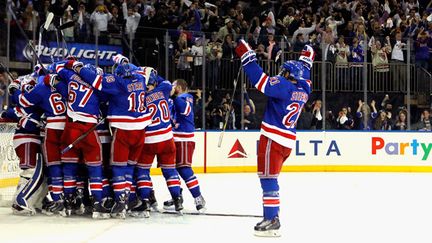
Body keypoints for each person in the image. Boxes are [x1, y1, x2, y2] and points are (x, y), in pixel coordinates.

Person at [235, 39, 312, 237]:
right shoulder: (304, 89)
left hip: (273, 138)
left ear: (288, 75)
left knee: (268, 178)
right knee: (271, 177)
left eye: (283, 72)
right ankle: (272, 215)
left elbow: (261, 82)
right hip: (287, 140)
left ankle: (271, 219)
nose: (280, 74)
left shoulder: (284, 86)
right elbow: (305, 74)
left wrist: (247, 58)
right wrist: (307, 59)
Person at [72, 59, 152, 219]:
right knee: (130, 167)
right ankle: (128, 198)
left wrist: (78, 68)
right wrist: (123, 61)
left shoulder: (118, 82)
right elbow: (143, 69)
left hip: (124, 131)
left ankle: (120, 201)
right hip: (141, 131)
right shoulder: (141, 79)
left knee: (117, 167)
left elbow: (96, 81)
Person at [53, 60, 109, 219]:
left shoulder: (70, 76)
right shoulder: (98, 87)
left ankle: (69, 202)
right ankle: (98, 202)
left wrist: (70, 62)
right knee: (95, 168)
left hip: (70, 129)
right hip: (89, 130)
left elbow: (57, 69)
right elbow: (106, 100)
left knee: (69, 168)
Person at [13, 67, 67, 216]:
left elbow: (19, 101)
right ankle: (20, 201)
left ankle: (38, 200)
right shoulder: (66, 86)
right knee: (32, 171)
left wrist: (14, 89)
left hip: (39, 134)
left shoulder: (38, 92)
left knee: (44, 171)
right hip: (30, 137)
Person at [136, 68, 183, 216]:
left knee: (142, 171)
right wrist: (152, 73)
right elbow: (166, 82)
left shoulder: (139, 96)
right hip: (167, 138)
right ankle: (178, 199)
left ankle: (146, 200)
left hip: (149, 140)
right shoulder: (163, 88)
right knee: (170, 171)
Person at [163, 79, 206, 212]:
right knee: (170, 169)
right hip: (173, 137)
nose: (172, 87)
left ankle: (198, 197)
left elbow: (182, 109)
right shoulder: (174, 99)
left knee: (184, 169)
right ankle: (177, 196)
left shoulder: (186, 97)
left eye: (174, 86)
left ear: (180, 87)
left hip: (184, 138)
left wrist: (173, 95)